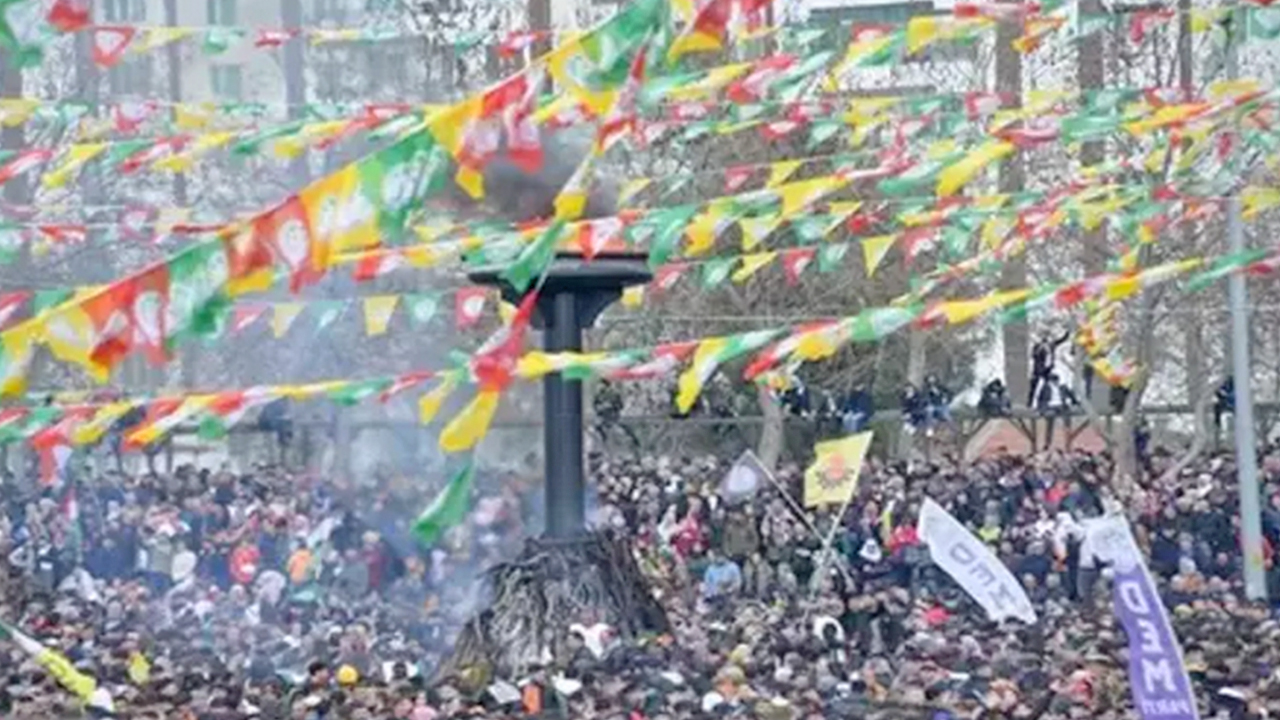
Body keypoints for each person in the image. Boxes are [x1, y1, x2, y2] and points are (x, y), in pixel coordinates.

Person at [1028, 328, 1072, 406]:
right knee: (1034, 386)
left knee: (1054, 384)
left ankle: (1059, 401)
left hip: (1048, 369)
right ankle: (1030, 403)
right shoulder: (1037, 347)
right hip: (1039, 370)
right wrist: (1039, 349)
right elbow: (1034, 356)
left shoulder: (1051, 345)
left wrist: (1067, 334)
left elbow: (1060, 341)